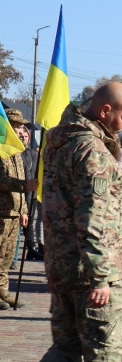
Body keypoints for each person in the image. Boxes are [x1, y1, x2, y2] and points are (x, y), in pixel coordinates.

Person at [1, 82, 122, 362]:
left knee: (68, 345)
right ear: (105, 110)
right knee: (105, 348)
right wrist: (103, 277)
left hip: (62, 265)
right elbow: (93, 218)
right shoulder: (90, 150)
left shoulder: (60, 141)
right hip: (90, 269)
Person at [0, 108, 38, 309]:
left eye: (22, 128)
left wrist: (23, 210)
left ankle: (3, 292)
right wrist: (25, 186)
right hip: (1, 213)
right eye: (17, 127)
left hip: (14, 213)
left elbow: (22, 186)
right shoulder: (1, 150)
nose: (21, 132)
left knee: (6, 258)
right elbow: (2, 180)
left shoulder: (17, 153)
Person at [19, 123, 44, 261]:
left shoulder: (33, 153)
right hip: (20, 191)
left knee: (29, 220)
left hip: (32, 193)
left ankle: (31, 248)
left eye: (26, 135)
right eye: (21, 135)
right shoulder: (16, 153)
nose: (23, 137)